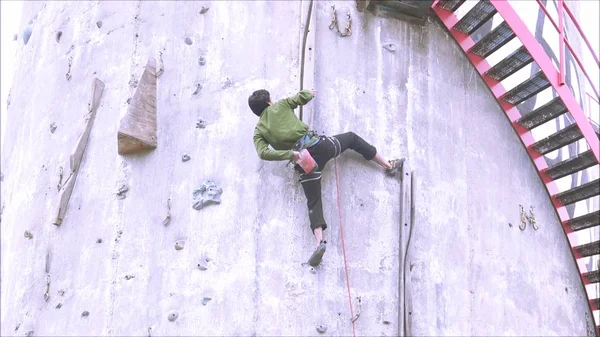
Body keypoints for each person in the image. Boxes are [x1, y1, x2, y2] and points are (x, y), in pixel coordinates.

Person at [249, 89, 404, 266]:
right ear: (269, 101)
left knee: (313, 201)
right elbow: (301, 98)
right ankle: (388, 165)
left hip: (303, 161)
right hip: (319, 146)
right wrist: (311, 93)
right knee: (352, 139)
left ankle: (319, 243)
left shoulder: (258, 131)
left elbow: (263, 152)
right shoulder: (279, 105)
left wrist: (290, 155)